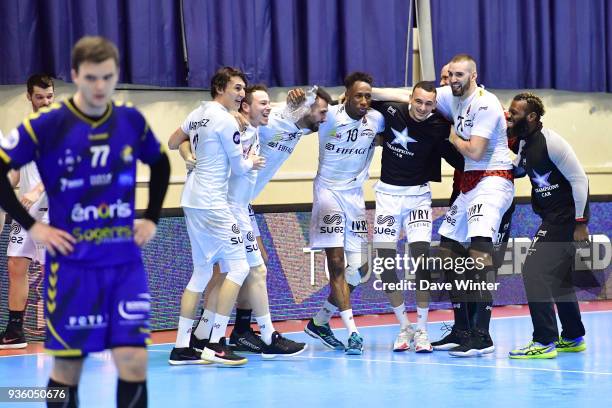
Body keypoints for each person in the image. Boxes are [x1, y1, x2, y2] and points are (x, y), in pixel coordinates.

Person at [0, 36, 170, 408]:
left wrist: (152, 217)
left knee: (133, 361)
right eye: (91, 77)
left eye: (107, 78)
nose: (99, 87)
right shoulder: (46, 126)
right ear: (75, 75)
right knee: (68, 369)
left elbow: (160, 162)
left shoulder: (130, 120)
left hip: (123, 263)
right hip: (73, 265)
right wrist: (32, 225)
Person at [186, 85, 306, 359]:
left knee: (231, 273)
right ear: (244, 107)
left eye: (268, 104)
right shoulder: (234, 129)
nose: (268, 108)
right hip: (227, 209)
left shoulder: (256, 129)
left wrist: (287, 106)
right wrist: (189, 156)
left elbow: (281, 116)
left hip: (239, 207)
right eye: (261, 103)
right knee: (245, 271)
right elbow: (183, 137)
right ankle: (258, 335)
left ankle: (203, 336)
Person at [167, 67, 266, 366]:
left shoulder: (197, 114)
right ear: (220, 87)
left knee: (201, 272)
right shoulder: (225, 120)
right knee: (238, 269)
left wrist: (188, 155)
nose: (241, 94)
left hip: (191, 200)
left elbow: (174, 141)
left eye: (243, 89)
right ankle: (216, 344)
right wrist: (252, 161)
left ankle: (182, 347)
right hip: (212, 204)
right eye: (237, 88)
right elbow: (239, 168)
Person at [370, 81, 463, 352]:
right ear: (410, 99)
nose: (423, 108)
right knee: (385, 265)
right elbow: (366, 94)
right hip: (387, 197)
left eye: (429, 104)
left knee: (421, 260)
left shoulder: (439, 125)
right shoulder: (390, 111)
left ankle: (422, 329)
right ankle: (404, 326)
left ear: (435, 105)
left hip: (419, 198)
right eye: (418, 101)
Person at [432, 54, 514, 357]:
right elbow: (410, 94)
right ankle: (462, 328)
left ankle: (482, 335)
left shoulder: (485, 103)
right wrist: (368, 92)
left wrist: (452, 135)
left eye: (459, 75)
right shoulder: (453, 96)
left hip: (493, 178)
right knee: (447, 248)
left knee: (480, 252)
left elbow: (476, 152)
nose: (453, 79)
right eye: (450, 74)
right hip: (469, 183)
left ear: (473, 75)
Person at [304, 72, 385, 355]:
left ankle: (320, 321)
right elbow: (298, 116)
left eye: (368, 96)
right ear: (346, 96)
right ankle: (353, 333)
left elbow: (406, 104)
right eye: (358, 96)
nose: (364, 101)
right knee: (336, 264)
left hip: (354, 197)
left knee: (360, 270)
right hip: (327, 193)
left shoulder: (376, 120)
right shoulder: (329, 117)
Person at [507, 92, 587, 359]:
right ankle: (574, 336)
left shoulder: (552, 142)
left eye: (515, 112)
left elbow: (580, 180)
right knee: (558, 276)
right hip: (551, 215)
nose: (510, 115)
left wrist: (580, 223)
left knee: (533, 270)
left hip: (565, 216)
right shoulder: (524, 143)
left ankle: (543, 341)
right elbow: (518, 169)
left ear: (531, 116)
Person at [0, 74, 54, 349]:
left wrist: (35, 192)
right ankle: (15, 330)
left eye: (49, 96)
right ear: (29, 97)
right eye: (40, 97)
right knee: (15, 265)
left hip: (51, 213)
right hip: (25, 213)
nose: (45, 101)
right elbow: (19, 175)